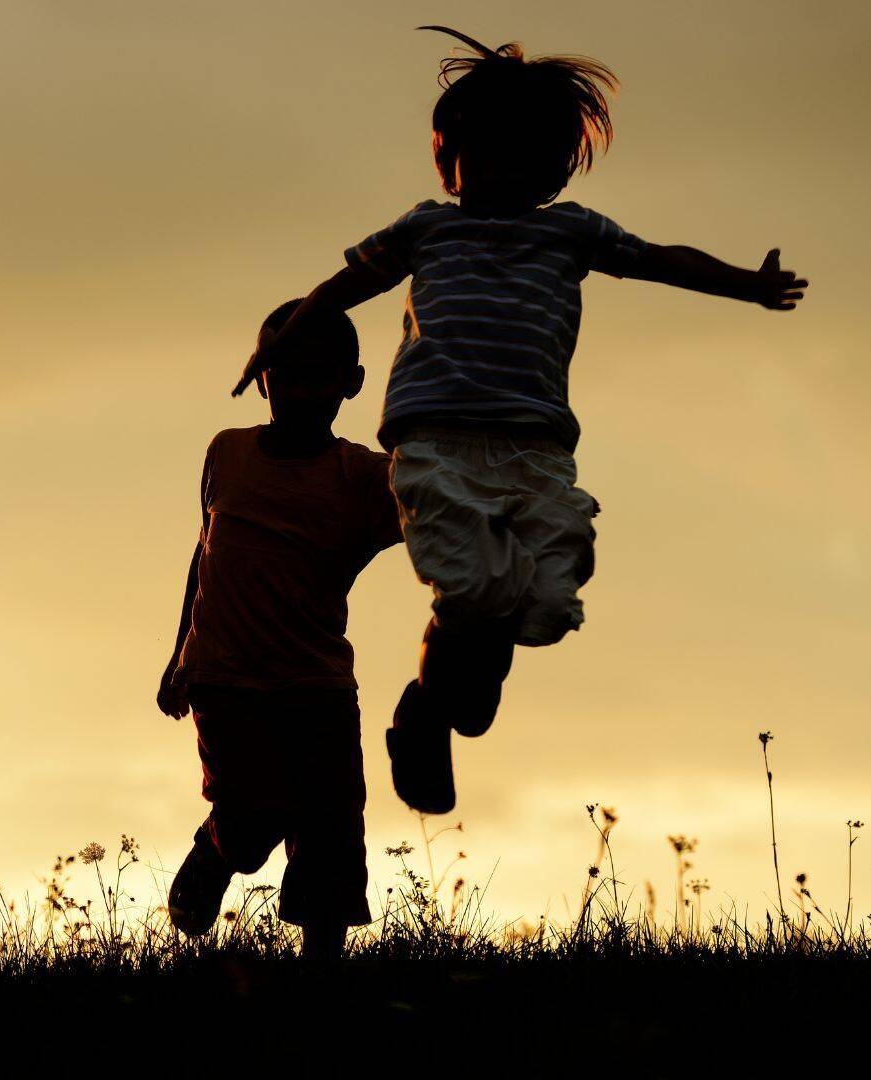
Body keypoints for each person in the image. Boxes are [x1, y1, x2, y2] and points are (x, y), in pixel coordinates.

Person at [231, 26, 809, 815]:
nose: (501, 172)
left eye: (523, 157)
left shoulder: (571, 231)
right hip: (440, 442)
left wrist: (746, 285)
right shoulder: (428, 229)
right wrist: (282, 342)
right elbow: (339, 288)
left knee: (542, 599)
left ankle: (445, 703)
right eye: (483, 153)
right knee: (471, 593)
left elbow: (661, 259)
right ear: (451, 158)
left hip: (537, 450)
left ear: (551, 169)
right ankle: (424, 718)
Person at [156, 299, 405, 961]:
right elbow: (206, 552)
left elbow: (445, 509)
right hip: (226, 678)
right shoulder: (228, 453)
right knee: (250, 814)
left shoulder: (364, 479)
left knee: (329, 833)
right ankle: (217, 848)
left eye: (321, 378)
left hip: (316, 685)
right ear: (261, 377)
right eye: (288, 376)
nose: (303, 392)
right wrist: (180, 650)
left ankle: (321, 984)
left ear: (351, 383)